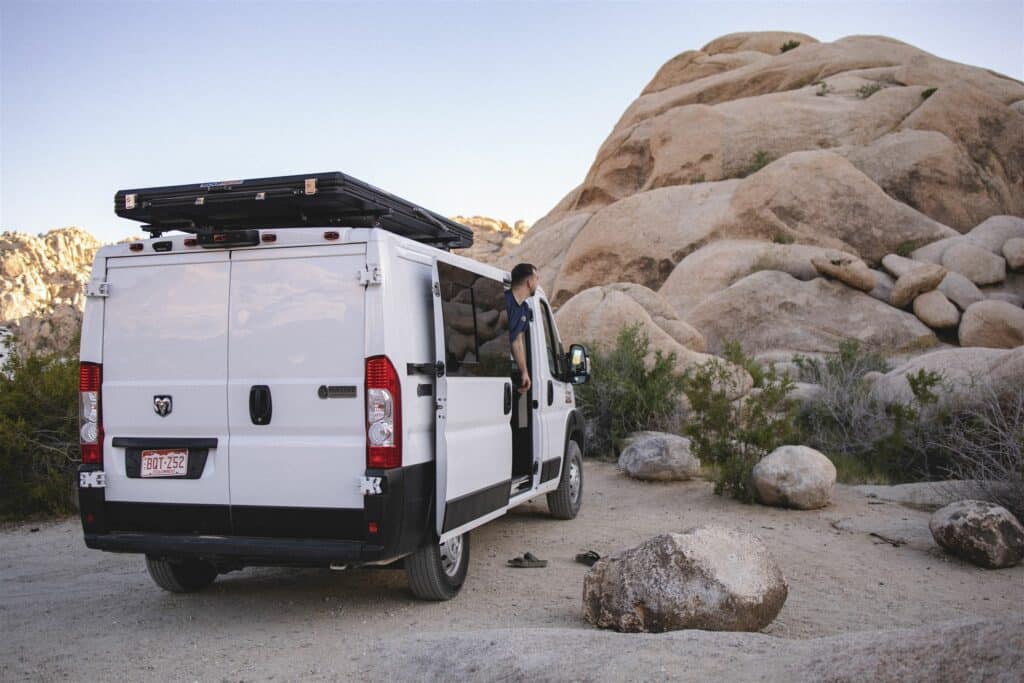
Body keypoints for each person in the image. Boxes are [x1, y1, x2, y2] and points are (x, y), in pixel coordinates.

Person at [506, 263, 538, 394]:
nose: (537, 283)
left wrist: (524, 372)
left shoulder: (524, 309)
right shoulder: (504, 301)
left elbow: (517, 342)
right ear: (529, 282)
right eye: (537, 279)